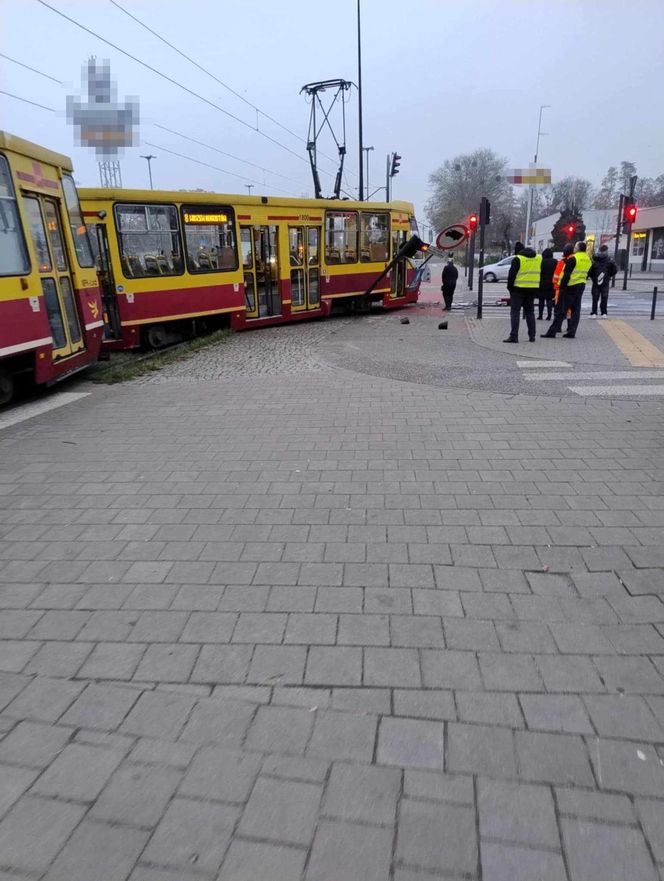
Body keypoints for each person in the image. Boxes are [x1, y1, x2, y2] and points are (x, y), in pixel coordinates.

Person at [542, 241, 591, 339]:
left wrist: (561, 288)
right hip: (581, 286)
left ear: (578, 248)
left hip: (570, 287)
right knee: (576, 310)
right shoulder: (588, 259)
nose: (574, 248)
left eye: (575, 247)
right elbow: (588, 273)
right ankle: (571, 332)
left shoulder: (573, 259)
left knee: (561, 310)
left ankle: (552, 332)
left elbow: (566, 275)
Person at [503, 241, 541, 343]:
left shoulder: (518, 259)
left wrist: (510, 288)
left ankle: (514, 336)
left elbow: (511, 276)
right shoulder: (538, 258)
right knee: (530, 312)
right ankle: (532, 336)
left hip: (518, 290)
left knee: (515, 313)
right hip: (532, 289)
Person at [588, 244, 617, 318]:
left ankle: (594, 312)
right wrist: (609, 276)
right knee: (604, 297)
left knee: (595, 297)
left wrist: (593, 277)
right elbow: (614, 270)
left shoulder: (594, 260)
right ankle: (604, 312)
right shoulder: (609, 260)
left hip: (596, 282)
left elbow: (590, 271)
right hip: (605, 281)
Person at [537, 247, 557, 321]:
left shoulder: (541, 262)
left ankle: (540, 315)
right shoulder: (555, 262)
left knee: (541, 300)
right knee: (549, 300)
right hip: (551, 283)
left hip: (541, 283)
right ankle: (549, 315)